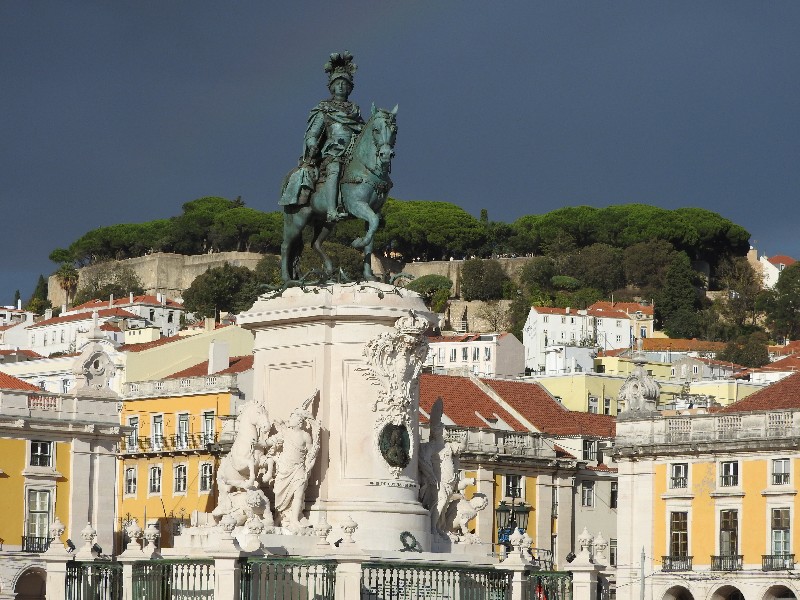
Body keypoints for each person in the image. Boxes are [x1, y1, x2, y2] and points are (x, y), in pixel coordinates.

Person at [294, 51, 364, 223]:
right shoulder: (324, 109)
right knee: (334, 169)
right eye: (337, 83)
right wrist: (311, 144)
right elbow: (312, 133)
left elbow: (363, 132)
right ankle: (332, 211)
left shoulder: (355, 111)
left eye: (344, 83)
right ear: (332, 86)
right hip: (333, 153)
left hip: (353, 155)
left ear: (350, 88)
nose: (341, 86)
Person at [270, 408, 320, 532]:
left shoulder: (305, 435)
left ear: (299, 421)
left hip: (299, 468)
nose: (290, 420)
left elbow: (311, 454)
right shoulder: (285, 432)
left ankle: (294, 520)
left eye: (292, 418)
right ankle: (280, 517)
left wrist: (309, 468)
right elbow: (271, 441)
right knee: (279, 495)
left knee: (298, 494)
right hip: (284, 469)